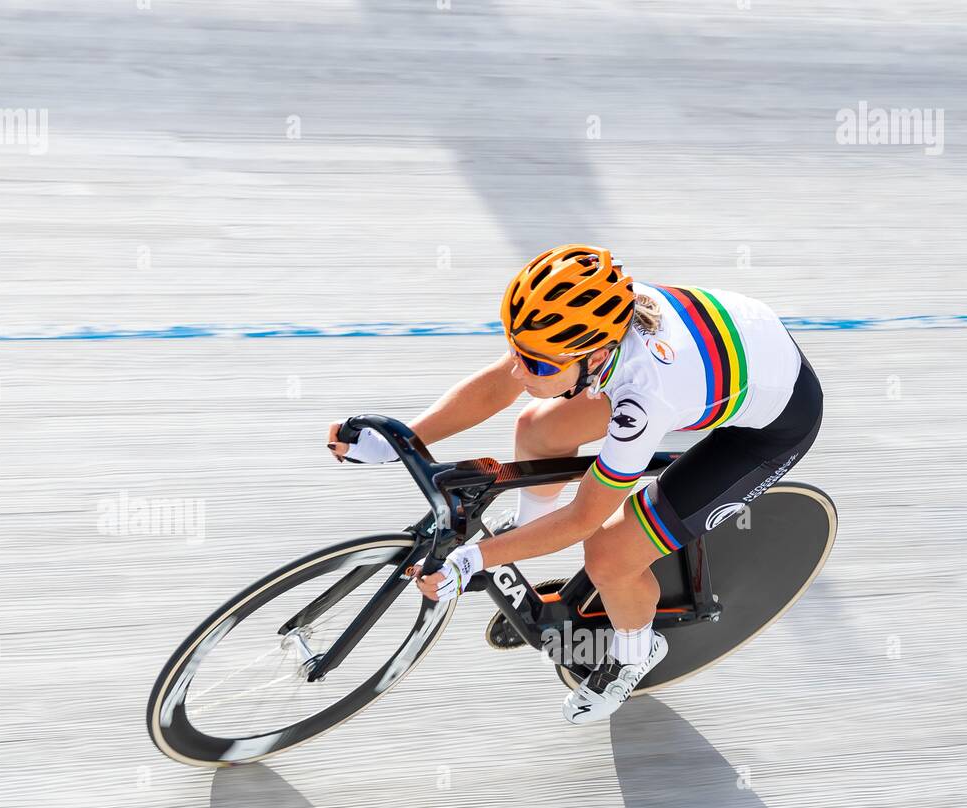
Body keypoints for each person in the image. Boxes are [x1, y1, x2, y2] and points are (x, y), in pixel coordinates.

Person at [328, 244, 824, 724]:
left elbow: (585, 518)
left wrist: (475, 558)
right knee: (537, 428)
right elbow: (500, 385)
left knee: (610, 553)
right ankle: (528, 528)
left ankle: (633, 654)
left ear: (597, 353)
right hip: (727, 362)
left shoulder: (643, 400)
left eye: (539, 364)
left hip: (768, 430)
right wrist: (401, 441)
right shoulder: (583, 330)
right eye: (517, 351)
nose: (520, 369)